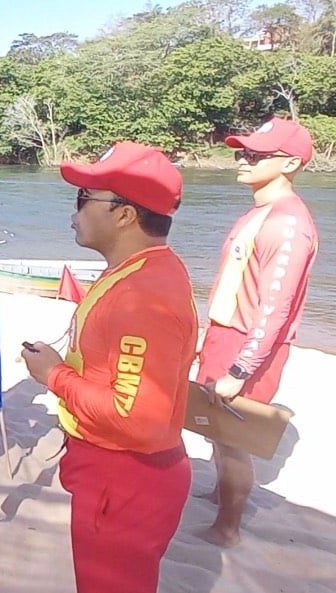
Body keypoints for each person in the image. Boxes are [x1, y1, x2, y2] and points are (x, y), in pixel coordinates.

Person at [20, 142, 197, 593]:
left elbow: (137, 418)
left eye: (85, 199)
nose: (74, 211)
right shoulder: (136, 271)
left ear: (124, 214)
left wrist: (55, 376)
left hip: (126, 477)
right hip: (113, 472)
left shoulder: (145, 295)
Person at [197, 118, 319, 548]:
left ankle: (227, 528)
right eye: (243, 153)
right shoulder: (260, 211)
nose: (244, 161)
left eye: (256, 155)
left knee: (233, 439)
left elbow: (275, 308)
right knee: (215, 426)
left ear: (290, 163)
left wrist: (240, 367)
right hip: (225, 332)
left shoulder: (288, 225)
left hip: (249, 343)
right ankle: (218, 495)